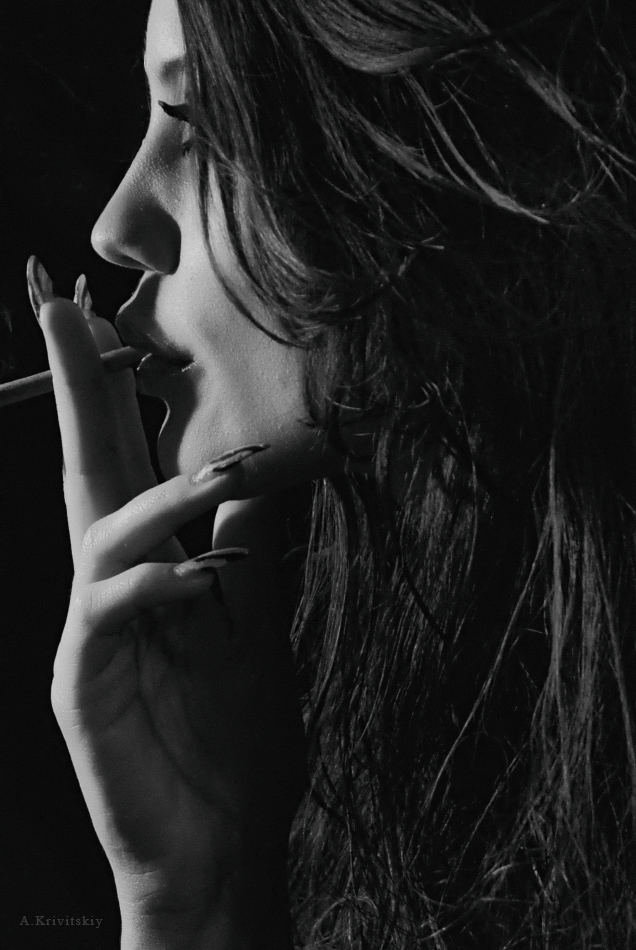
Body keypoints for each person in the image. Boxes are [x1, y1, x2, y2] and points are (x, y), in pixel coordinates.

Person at [27, 0, 636, 946]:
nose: (115, 227)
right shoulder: (429, 702)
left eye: (198, 121)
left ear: (433, 136)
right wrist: (197, 901)